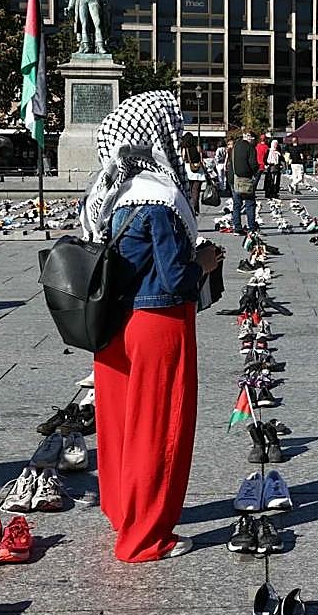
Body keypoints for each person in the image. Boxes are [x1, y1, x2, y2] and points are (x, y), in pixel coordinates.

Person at [80, 91, 224, 563]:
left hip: (112, 324)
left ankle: (125, 513)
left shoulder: (107, 192)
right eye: (171, 131)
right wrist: (203, 261)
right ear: (154, 136)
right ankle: (144, 539)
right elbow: (177, 276)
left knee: (121, 427)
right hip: (158, 321)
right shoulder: (157, 197)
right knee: (158, 428)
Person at [230, 130, 259, 234]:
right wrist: (255, 171)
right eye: (254, 139)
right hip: (245, 179)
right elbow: (253, 164)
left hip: (233, 178)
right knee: (250, 204)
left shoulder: (235, 147)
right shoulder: (250, 148)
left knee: (236, 204)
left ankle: (237, 227)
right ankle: (251, 227)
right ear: (250, 138)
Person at [179, 132, 205, 214]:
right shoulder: (198, 147)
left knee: (189, 190)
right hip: (198, 171)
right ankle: (196, 207)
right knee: (196, 190)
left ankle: (190, 207)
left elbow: (182, 159)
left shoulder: (184, 149)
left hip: (188, 169)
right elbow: (201, 159)